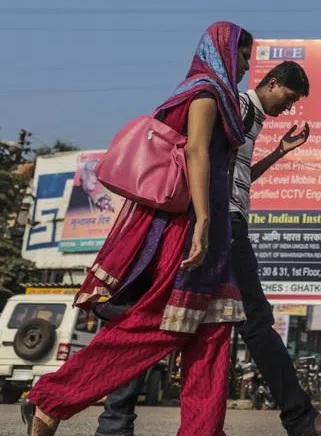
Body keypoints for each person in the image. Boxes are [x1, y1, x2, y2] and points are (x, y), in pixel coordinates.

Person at [93, 61, 321, 436]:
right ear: (273, 83)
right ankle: (300, 419)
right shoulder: (237, 107)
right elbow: (199, 156)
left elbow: (235, 174)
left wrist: (279, 152)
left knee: (155, 320)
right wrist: (205, 220)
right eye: (290, 96)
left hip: (215, 224)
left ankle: (113, 421)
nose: (290, 106)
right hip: (219, 226)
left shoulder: (249, 118)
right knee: (251, 324)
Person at [22, 23, 252, 436]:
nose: (247, 65)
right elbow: (197, 151)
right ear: (223, 51)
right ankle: (51, 398)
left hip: (213, 234)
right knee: (159, 327)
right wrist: (202, 221)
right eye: (243, 54)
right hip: (189, 229)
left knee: (213, 337)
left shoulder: (226, 100)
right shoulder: (204, 92)